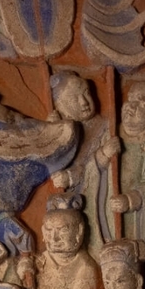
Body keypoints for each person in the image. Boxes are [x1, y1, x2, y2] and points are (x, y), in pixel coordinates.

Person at [48, 72, 119, 257]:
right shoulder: (64, 131)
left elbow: (93, 168)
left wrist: (71, 176)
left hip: (99, 202)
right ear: (61, 106)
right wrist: (52, 135)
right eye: (74, 98)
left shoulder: (107, 128)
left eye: (86, 93)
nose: (84, 102)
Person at [105, 81, 145, 241]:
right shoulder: (108, 133)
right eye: (131, 99)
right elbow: (87, 164)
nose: (132, 107)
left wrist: (130, 200)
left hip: (129, 221)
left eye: (142, 105)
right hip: (103, 210)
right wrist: (102, 154)